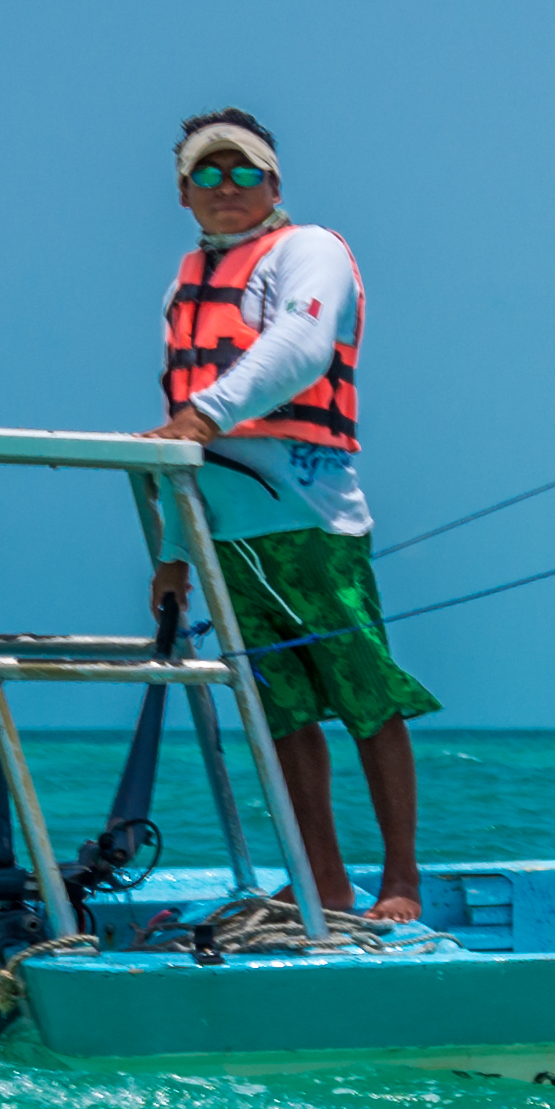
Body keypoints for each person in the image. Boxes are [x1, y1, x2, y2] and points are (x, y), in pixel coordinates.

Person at [141, 108, 436, 922]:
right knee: (282, 712)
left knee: (365, 697)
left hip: (314, 522)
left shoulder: (311, 252)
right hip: (225, 535)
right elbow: (175, 422)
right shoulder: (184, 285)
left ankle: (401, 879)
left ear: (273, 182)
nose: (226, 187)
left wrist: (208, 412)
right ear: (184, 193)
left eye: (244, 172)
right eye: (209, 173)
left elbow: (298, 351)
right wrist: (172, 552)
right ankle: (325, 881)